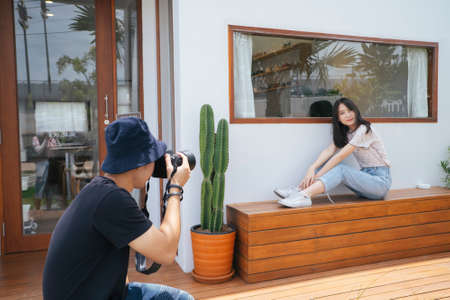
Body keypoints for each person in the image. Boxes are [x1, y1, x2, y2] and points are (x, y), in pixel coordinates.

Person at [43, 117, 194, 300]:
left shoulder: (101, 191)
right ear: (141, 164)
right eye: (153, 158)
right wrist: (175, 187)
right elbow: (167, 252)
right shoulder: (112, 200)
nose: (155, 165)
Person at [274, 97, 392, 208]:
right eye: (342, 113)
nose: (347, 115)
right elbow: (329, 151)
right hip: (366, 182)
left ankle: (304, 195)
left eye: (350, 110)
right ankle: (298, 190)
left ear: (355, 111)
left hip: (380, 183)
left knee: (341, 169)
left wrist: (316, 176)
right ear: (338, 117)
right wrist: (312, 167)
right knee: (324, 164)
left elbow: (340, 156)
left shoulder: (364, 129)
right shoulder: (347, 133)